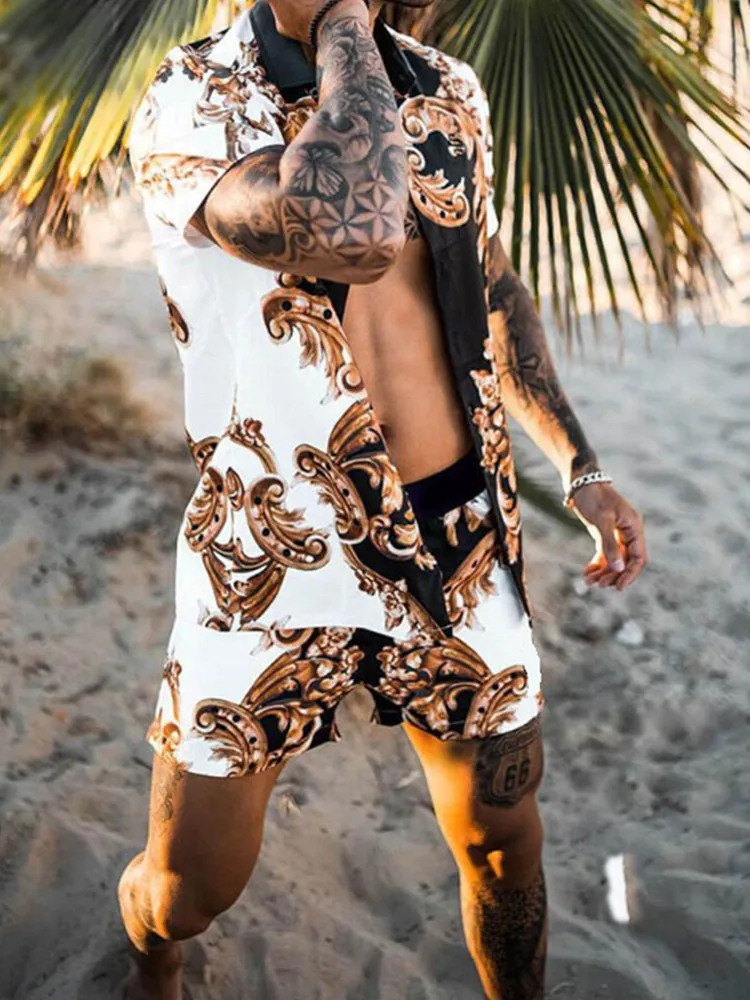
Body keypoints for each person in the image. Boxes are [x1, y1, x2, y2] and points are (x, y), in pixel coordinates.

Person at [120, 0, 647, 996]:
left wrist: (580, 463)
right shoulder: (197, 94)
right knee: (190, 889)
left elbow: (490, 282)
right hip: (276, 548)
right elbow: (347, 232)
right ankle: (151, 954)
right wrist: (343, 28)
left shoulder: (448, 88)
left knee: (502, 842)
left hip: (457, 542)